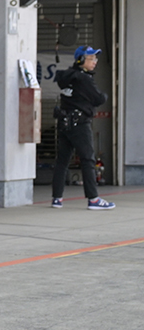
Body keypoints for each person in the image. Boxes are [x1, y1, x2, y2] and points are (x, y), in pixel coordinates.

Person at [51, 45, 115, 211]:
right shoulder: (83, 78)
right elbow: (98, 98)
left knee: (62, 161)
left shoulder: (66, 76)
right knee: (88, 159)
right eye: (91, 58)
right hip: (80, 124)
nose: (95, 61)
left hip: (64, 123)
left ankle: (57, 198)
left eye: (95, 58)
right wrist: (104, 96)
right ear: (80, 60)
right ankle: (93, 199)